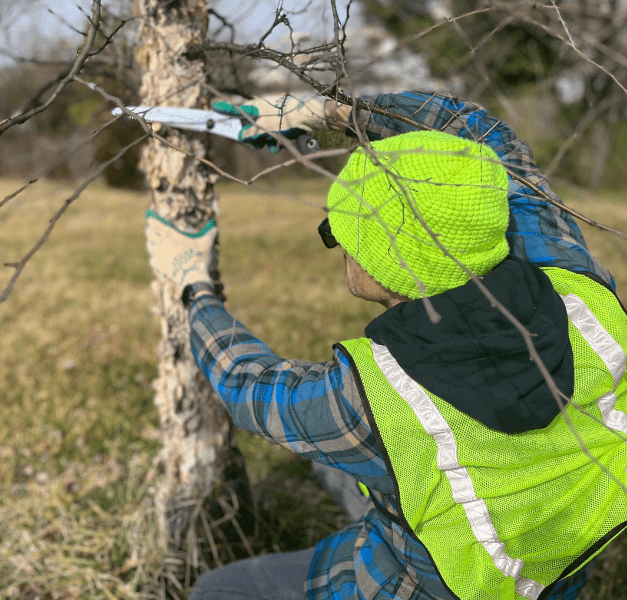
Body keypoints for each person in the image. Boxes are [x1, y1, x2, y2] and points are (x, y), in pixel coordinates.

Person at [145, 91, 627, 600]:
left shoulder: (368, 402)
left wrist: (191, 283)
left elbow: (249, 386)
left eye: (342, 232)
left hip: (414, 586)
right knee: (334, 463)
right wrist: (323, 110)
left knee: (219, 590)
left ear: (383, 264)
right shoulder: (583, 289)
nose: (339, 246)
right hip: (554, 568)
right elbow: (484, 135)